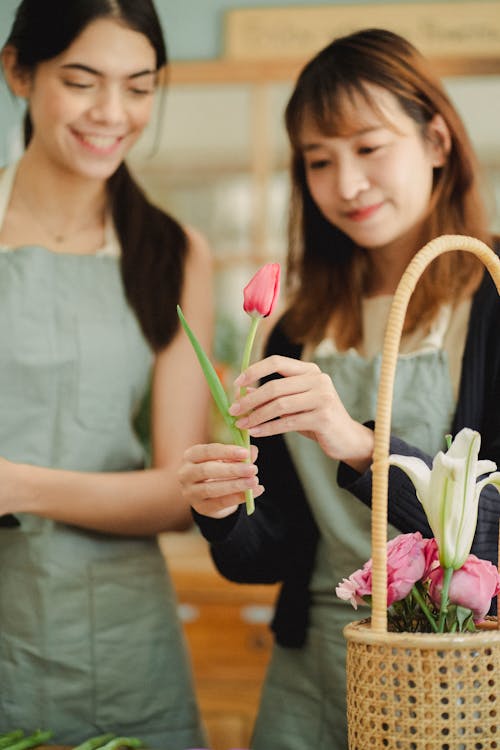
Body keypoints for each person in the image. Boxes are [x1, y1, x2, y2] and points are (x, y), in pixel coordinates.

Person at [178, 28, 500, 750]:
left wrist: (356, 444)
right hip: (311, 665)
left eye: (368, 147)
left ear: (438, 140)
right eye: (318, 161)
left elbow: (491, 534)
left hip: (452, 668)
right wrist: (224, 510)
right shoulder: (299, 329)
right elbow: (268, 557)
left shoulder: (491, 298)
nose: (345, 184)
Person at [0, 1, 211, 747]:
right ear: (18, 72)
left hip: (126, 641)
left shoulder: (174, 251)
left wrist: (16, 486)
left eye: (140, 86)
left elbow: (180, 491)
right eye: (83, 82)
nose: (112, 113)